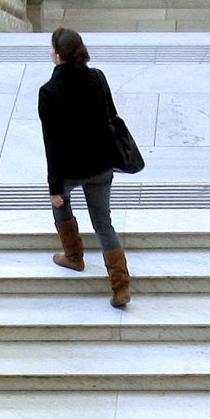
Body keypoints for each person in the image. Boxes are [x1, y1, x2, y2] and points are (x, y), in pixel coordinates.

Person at [38, 28, 136, 311]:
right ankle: (121, 287)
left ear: (57, 55)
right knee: (104, 224)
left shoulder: (48, 92)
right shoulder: (97, 77)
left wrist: (55, 187)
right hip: (101, 165)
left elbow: (51, 142)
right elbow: (111, 116)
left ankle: (74, 256)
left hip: (69, 169)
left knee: (60, 205)